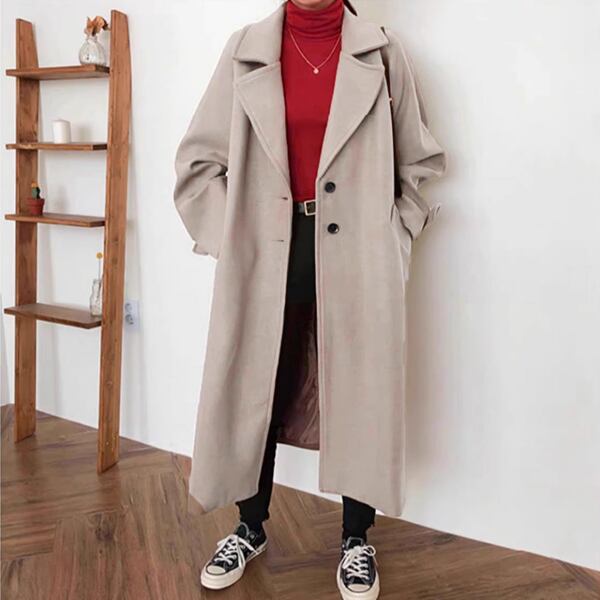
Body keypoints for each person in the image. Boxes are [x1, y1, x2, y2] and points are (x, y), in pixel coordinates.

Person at [173, 1, 447, 598]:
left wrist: (393, 236)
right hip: (269, 252)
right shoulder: (246, 49)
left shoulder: (382, 51)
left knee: (358, 388)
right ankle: (250, 527)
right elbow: (197, 163)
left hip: (357, 253)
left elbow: (419, 164)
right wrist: (233, 236)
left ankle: (356, 539)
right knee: (259, 384)